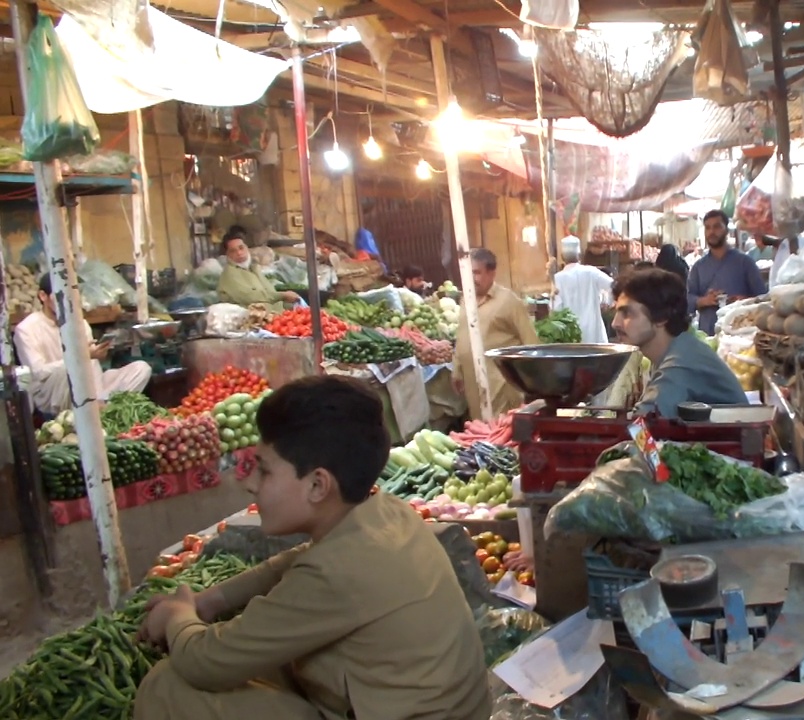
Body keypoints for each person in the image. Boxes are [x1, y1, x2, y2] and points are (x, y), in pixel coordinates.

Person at [133, 376, 490, 720]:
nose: (250, 484)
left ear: (318, 485)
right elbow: (296, 560)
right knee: (275, 664)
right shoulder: (388, 512)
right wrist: (212, 600)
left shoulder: (335, 574)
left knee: (168, 686)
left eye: (265, 471)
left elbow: (205, 663)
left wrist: (176, 618)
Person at [612, 268, 747, 418]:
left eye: (627, 313)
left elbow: (644, 422)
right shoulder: (674, 350)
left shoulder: (681, 361)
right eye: (616, 312)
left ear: (661, 317)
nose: (615, 323)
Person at [14, 274, 152, 415]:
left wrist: (99, 353)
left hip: (90, 387)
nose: (68, 301)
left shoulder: (80, 323)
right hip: (51, 392)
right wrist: (79, 357)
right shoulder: (26, 329)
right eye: (61, 295)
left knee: (141, 368)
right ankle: (99, 410)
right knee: (81, 362)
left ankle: (105, 408)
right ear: (43, 296)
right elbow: (38, 372)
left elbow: (93, 362)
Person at [452, 248, 541, 418]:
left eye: (476, 272)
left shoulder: (509, 302)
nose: (471, 279)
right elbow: (461, 335)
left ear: (491, 273)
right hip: (473, 383)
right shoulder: (465, 300)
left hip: (501, 384)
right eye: (467, 273)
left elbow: (531, 343)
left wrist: (531, 383)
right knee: (479, 429)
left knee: (500, 432)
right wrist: (457, 369)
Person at [687, 210, 767, 335]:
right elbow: (688, 299)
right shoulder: (698, 267)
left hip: (739, 334)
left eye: (717, 226)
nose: (711, 232)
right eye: (707, 228)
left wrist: (743, 300)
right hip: (708, 333)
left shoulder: (745, 262)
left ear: (726, 230)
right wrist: (704, 300)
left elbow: (763, 298)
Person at [216, 230, 299, 311]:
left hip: (278, 319)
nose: (239, 253)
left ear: (247, 248)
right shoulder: (230, 275)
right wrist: (282, 295)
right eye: (233, 251)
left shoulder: (254, 268)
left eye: (241, 248)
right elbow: (250, 297)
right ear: (227, 254)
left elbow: (270, 293)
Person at [552, 237, 613, 344]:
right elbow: (613, 285)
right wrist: (607, 301)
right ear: (580, 256)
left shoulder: (558, 279)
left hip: (573, 338)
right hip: (595, 336)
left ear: (562, 257)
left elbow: (556, 309)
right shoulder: (591, 272)